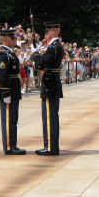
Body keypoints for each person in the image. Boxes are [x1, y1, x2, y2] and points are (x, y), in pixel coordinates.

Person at [34, 22, 64, 156]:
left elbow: (42, 63)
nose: (47, 34)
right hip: (52, 82)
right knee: (52, 116)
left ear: (53, 31)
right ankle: (52, 146)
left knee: (49, 117)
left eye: (48, 31)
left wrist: (35, 56)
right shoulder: (55, 46)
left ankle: (50, 147)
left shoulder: (53, 47)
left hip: (49, 84)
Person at [0, 29, 26, 155]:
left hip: (14, 89)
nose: (15, 40)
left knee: (13, 119)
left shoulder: (10, 53)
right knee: (8, 118)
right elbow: (2, 76)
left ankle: (13, 144)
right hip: (8, 90)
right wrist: (5, 93)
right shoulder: (3, 54)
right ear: (6, 39)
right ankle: (9, 146)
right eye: (13, 38)